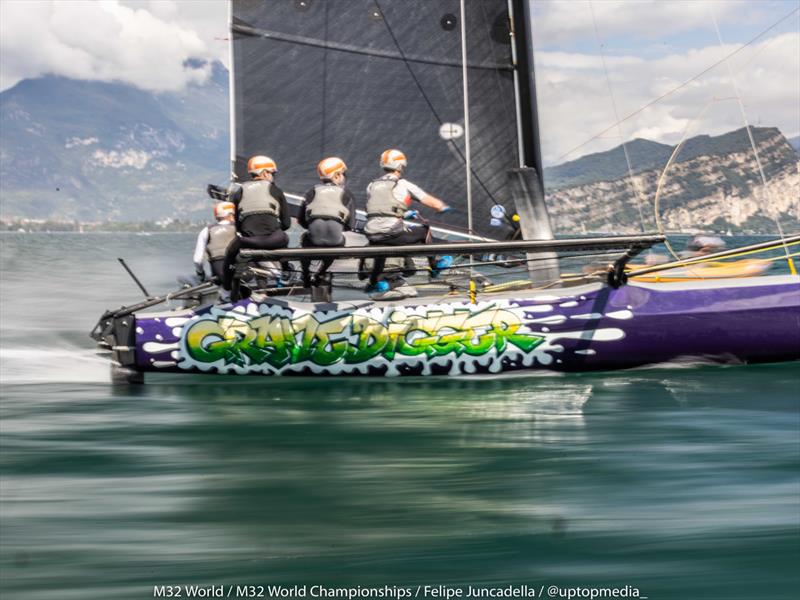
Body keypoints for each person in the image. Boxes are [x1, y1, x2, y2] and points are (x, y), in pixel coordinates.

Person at [363, 149, 453, 295]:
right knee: (425, 231)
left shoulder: (371, 185)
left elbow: (381, 209)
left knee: (381, 249)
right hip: (392, 232)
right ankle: (435, 266)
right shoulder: (403, 183)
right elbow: (429, 201)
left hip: (372, 233)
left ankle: (374, 282)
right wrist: (443, 207)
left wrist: (403, 214)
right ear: (399, 166)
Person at [222, 155, 291, 295]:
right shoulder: (275, 189)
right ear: (265, 173)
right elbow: (286, 223)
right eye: (272, 173)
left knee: (230, 251)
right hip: (274, 241)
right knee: (284, 237)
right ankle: (286, 273)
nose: (273, 177)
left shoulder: (239, 192)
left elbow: (238, 227)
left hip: (249, 241)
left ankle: (227, 288)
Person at [298, 157, 356, 287]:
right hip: (335, 243)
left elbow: (301, 221)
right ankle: (321, 272)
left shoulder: (310, 192)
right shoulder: (347, 194)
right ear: (336, 175)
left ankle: (306, 275)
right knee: (340, 241)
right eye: (343, 174)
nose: (344, 177)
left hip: (313, 242)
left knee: (305, 239)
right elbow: (350, 226)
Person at [193, 201, 236, 283]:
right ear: (231, 214)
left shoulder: (206, 230)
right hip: (243, 273)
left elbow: (197, 260)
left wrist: (200, 273)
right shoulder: (240, 229)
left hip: (220, 274)